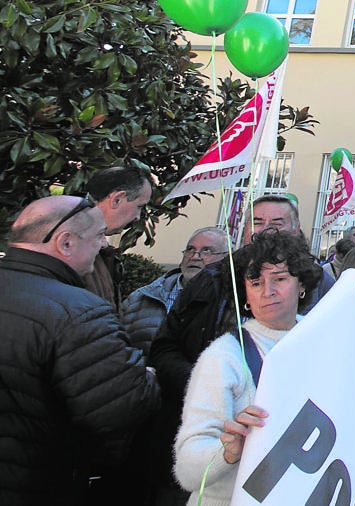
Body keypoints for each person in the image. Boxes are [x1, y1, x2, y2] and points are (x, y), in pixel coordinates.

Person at [173, 231, 355, 504]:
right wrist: (227, 452)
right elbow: (187, 470)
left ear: (302, 285)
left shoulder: (324, 336)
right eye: (255, 282)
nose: (268, 291)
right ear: (244, 294)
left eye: (280, 279)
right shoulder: (224, 357)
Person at [0, 196, 161, 504]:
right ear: (66, 242)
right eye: (100, 235)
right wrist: (145, 376)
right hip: (35, 485)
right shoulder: (81, 312)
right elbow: (122, 408)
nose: (103, 245)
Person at [122, 226, 229, 357]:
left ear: (227, 258)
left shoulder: (232, 304)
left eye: (206, 251)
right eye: (190, 249)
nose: (195, 257)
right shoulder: (141, 298)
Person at [84, 163, 155, 308]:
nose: (137, 217)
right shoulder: (74, 247)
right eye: (139, 206)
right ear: (117, 199)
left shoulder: (92, 247)